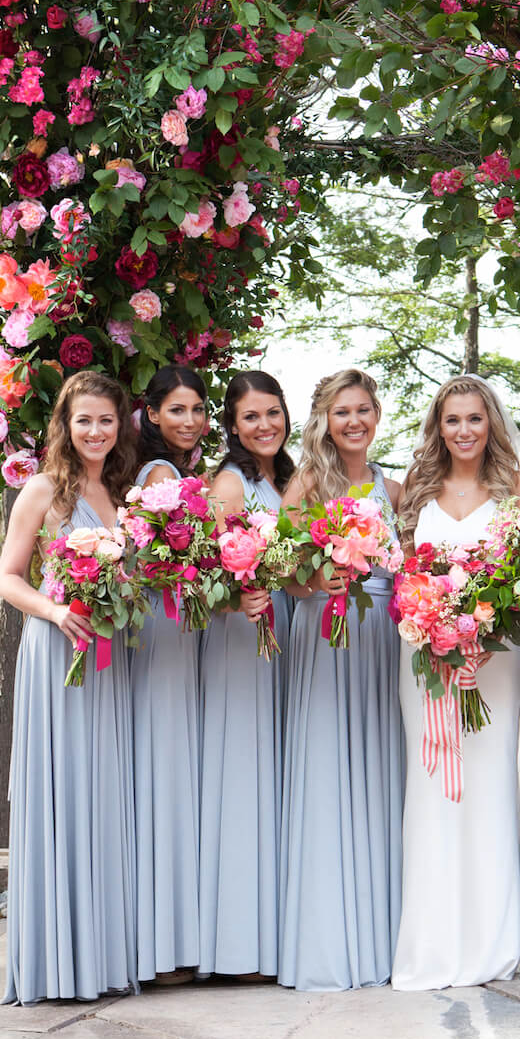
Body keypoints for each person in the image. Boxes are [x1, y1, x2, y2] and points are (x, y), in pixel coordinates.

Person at [0, 370, 139, 1004]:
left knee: (105, 795)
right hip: (57, 654)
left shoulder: (121, 492)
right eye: (84, 419)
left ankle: (102, 958)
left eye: (106, 420)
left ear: (121, 426)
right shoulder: (43, 491)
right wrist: (55, 613)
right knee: (63, 793)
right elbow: (8, 577)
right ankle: (56, 961)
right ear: (65, 423)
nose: (95, 430)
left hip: (110, 658)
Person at [391, 375, 520, 990]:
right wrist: (430, 615)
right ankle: (432, 941)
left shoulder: (517, 489)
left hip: (495, 659)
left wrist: (481, 618)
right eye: (453, 420)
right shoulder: (416, 491)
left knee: (491, 788)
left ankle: (489, 942)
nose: (465, 431)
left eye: (475, 419)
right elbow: (402, 577)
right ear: (438, 426)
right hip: (425, 660)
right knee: (432, 791)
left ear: (492, 423)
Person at [278, 369, 404, 991]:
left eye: (363, 410)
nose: (353, 422)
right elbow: (282, 571)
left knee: (383, 771)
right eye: (341, 412)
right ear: (324, 420)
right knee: (329, 769)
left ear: (377, 415)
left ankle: (384, 938)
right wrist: (316, 582)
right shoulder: (305, 484)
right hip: (326, 631)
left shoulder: (396, 487)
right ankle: (330, 939)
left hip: (383, 634)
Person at [199, 372, 296, 982]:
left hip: (282, 634)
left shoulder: (285, 478)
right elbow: (205, 579)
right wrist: (242, 602)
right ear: (233, 426)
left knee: (273, 781)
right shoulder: (230, 483)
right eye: (251, 417)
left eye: (273, 413)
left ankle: (272, 935)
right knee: (243, 777)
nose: (265, 425)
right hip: (240, 638)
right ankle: (237, 947)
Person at [130, 366, 208, 987]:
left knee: (171, 775)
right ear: (152, 415)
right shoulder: (162, 477)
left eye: (198, 409)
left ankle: (171, 940)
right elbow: (172, 562)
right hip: (167, 629)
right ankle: (164, 949)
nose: (189, 420)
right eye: (176, 410)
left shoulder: (177, 472)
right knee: (169, 776)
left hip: (178, 627)